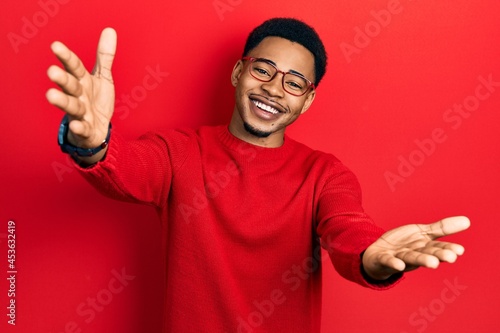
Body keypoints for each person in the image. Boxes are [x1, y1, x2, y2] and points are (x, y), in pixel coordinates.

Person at [46, 18, 470, 333]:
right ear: (238, 73)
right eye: (263, 70)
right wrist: (94, 140)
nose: (273, 88)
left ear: (306, 102)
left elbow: (347, 229)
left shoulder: (325, 174)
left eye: (294, 82)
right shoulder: (181, 152)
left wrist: (373, 259)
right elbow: (125, 167)